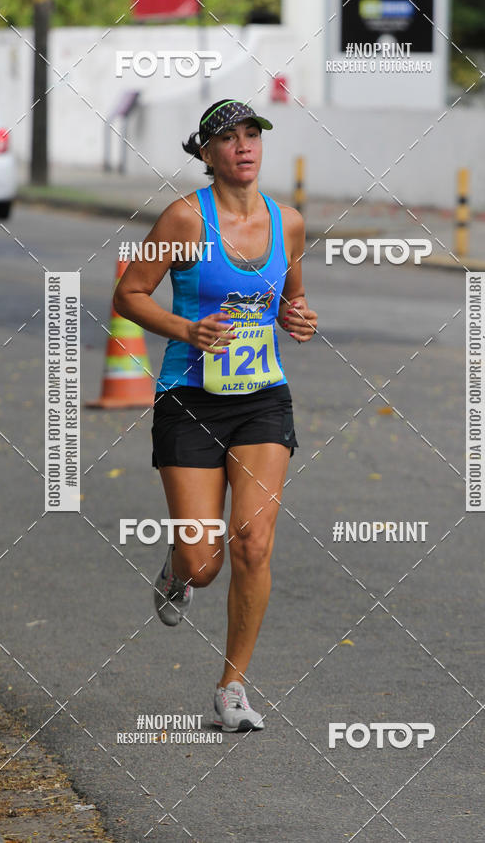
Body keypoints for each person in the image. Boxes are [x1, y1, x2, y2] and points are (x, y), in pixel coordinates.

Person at [113, 98, 318, 732]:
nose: (244, 146)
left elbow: (295, 298)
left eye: (253, 134)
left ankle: (233, 687)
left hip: (262, 399)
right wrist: (184, 327)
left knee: (253, 543)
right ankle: (178, 571)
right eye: (229, 138)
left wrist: (297, 318)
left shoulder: (289, 222)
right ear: (206, 154)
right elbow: (128, 293)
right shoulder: (183, 219)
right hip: (190, 397)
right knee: (205, 561)